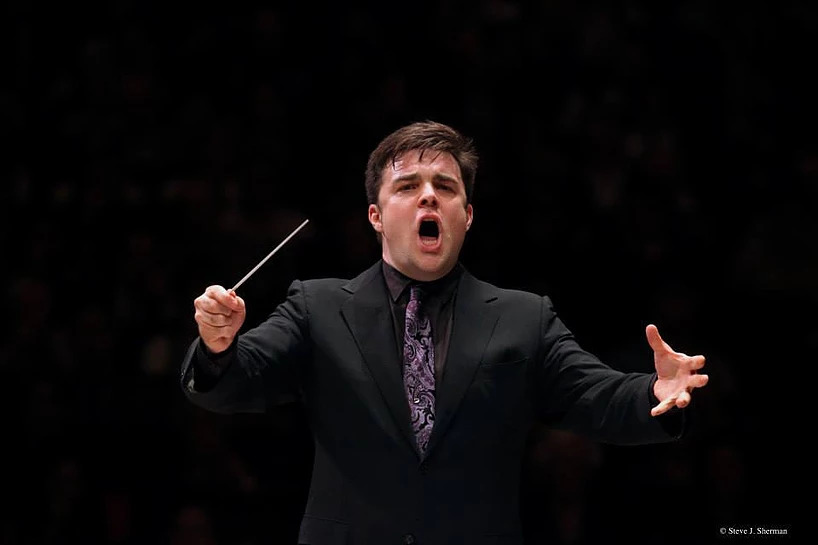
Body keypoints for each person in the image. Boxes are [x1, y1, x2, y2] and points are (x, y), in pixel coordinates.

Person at [180, 120, 709, 545]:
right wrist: (218, 345)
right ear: (376, 216)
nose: (428, 196)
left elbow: (596, 395)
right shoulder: (316, 308)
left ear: (468, 215)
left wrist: (655, 391)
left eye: (445, 187)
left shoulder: (524, 318)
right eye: (408, 186)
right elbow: (235, 380)